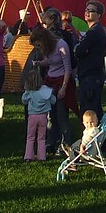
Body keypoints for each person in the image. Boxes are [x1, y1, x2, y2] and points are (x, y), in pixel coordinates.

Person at [30, 25, 74, 154]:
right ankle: (51, 142)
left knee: (61, 116)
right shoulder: (48, 49)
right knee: (50, 115)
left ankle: (66, 144)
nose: (38, 48)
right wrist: (38, 63)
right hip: (50, 81)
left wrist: (64, 88)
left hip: (61, 82)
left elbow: (68, 68)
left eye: (38, 45)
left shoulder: (62, 45)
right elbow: (50, 62)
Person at [74, 0, 106, 119]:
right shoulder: (94, 30)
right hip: (91, 75)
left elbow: (79, 51)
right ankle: (97, 134)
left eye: (91, 10)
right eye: (86, 10)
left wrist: (78, 49)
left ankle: (91, 135)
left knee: (89, 110)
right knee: (94, 108)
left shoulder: (94, 32)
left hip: (91, 76)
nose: (87, 12)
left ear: (99, 15)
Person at [21, 68, 55, 162]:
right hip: (43, 116)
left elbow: (24, 100)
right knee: (42, 137)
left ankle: (28, 156)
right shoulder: (45, 91)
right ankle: (42, 156)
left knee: (30, 137)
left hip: (32, 116)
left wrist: (26, 91)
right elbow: (53, 100)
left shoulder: (29, 92)